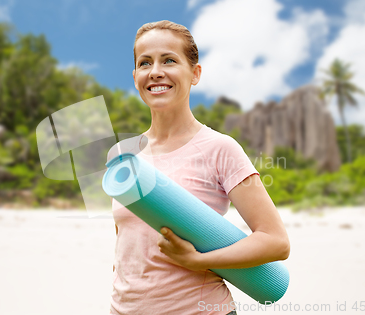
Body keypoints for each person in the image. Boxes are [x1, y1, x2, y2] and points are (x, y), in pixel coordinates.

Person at [107, 20, 290, 315]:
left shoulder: (221, 149)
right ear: (135, 76)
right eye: (145, 63)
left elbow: (276, 242)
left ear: (195, 74)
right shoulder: (122, 154)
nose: (155, 72)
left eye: (169, 60)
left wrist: (197, 261)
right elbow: (128, 241)